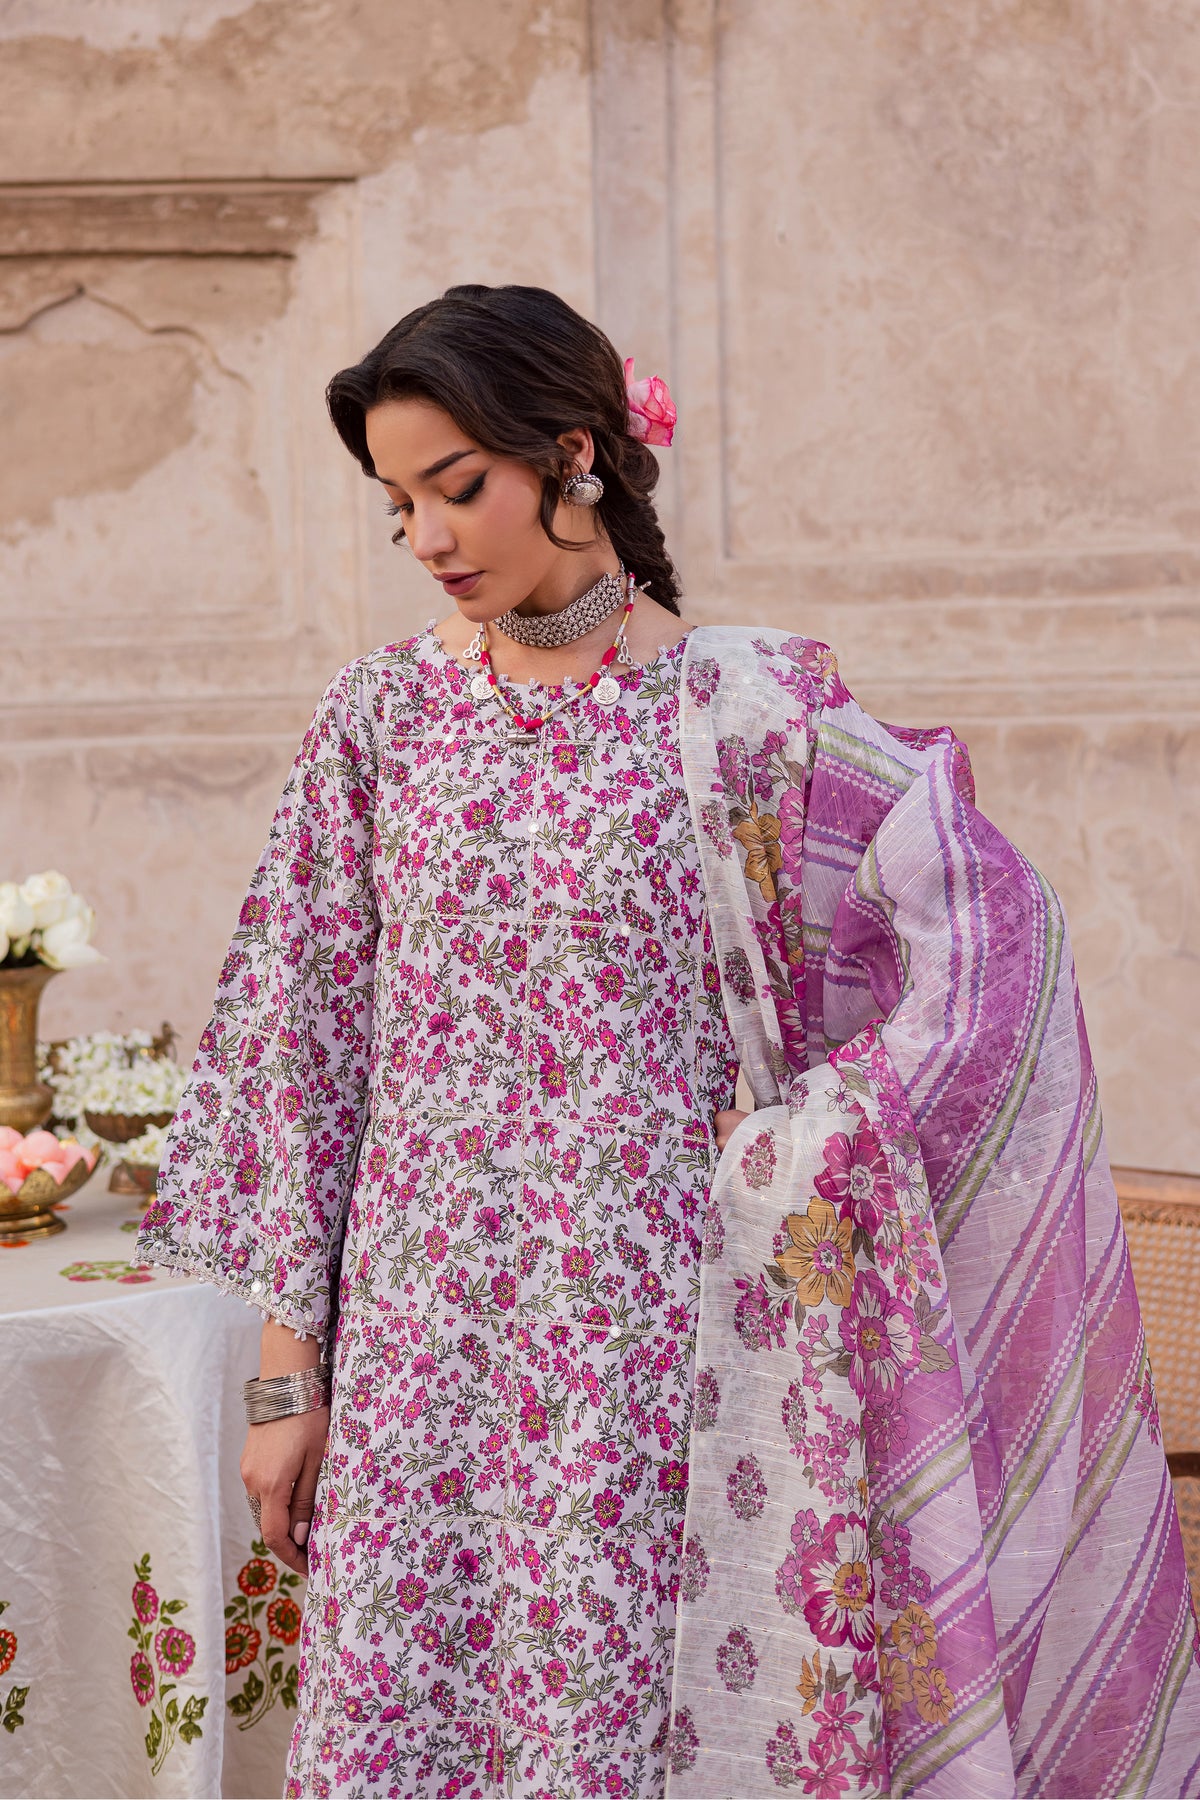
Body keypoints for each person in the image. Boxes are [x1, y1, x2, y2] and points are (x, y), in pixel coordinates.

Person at [138, 285, 1200, 1800]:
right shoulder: (378, 719)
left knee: (610, 1730)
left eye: (457, 487)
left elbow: (990, 940)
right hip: (420, 1348)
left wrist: (804, 1134)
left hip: (646, 1342)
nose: (428, 539)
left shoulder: (748, 713)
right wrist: (282, 1381)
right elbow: (299, 1057)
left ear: (572, 457)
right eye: (398, 505)